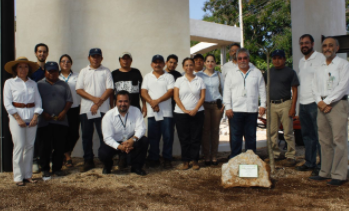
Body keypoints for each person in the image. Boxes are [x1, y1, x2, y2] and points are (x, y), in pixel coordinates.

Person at [309, 37, 349, 186]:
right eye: (325, 45)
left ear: (337, 48)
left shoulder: (344, 65)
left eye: (331, 45)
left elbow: (343, 86)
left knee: (338, 140)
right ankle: (325, 172)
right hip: (322, 105)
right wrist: (319, 101)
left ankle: (339, 174)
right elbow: (314, 87)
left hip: (338, 104)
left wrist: (326, 102)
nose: (327, 48)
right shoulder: (319, 67)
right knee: (324, 140)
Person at [3, 57, 42, 186]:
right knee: (19, 146)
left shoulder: (33, 84)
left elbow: (38, 102)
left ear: (29, 69)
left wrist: (35, 117)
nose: (23, 69)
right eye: (20, 67)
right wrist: (17, 118)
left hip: (31, 117)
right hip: (16, 117)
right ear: (15, 69)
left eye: (25, 67)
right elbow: (7, 103)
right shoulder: (9, 83)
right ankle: (18, 177)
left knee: (29, 146)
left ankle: (28, 175)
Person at [76, 48, 114, 172]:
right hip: (86, 110)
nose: (95, 58)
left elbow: (110, 89)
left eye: (98, 56)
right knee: (86, 136)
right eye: (93, 56)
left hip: (102, 110)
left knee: (104, 135)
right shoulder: (83, 71)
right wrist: (94, 99)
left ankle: (105, 160)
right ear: (89, 58)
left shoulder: (106, 71)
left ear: (101, 58)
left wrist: (98, 103)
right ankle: (88, 160)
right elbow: (79, 89)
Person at [223, 49, 266, 158]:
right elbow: (227, 91)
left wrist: (263, 105)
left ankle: (250, 160)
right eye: (240, 58)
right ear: (236, 60)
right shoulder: (231, 73)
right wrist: (228, 107)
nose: (242, 60)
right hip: (235, 111)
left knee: (251, 137)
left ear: (248, 59)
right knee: (235, 137)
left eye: (245, 58)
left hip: (251, 110)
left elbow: (262, 89)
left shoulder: (256, 73)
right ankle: (235, 159)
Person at [99, 91, 149, 176]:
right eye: (120, 101)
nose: (123, 104)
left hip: (130, 140)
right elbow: (107, 138)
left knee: (144, 140)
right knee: (103, 152)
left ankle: (136, 167)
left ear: (129, 101)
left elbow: (141, 128)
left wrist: (133, 139)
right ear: (115, 102)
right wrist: (120, 147)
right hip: (115, 142)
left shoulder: (136, 111)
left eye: (125, 101)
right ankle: (108, 166)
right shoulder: (108, 115)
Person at [37, 62, 73, 180]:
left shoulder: (64, 85)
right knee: (45, 146)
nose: (52, 74)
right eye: (50, 71)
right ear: (45, 72)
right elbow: (36, 102)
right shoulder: (39, 85)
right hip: (44, 121)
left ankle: (57, 168)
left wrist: (63, 112)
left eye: (55, 71)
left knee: (59, 146)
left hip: (60, 121)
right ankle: (45, 169)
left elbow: (69, 100)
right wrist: (43, 113)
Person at [295, 34, 324, 176]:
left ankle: (322, 165)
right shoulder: (301, 61)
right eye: (301, 43)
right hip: (303, 103)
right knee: (307, 135)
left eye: (306, 43)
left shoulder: (320, 58)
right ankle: (309, 162)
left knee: (319, 135)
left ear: (312, 44)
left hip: (315, 103)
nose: (303, 45)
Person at [265, 49, 299, 167]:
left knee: (288, 131)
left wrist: (293, 106)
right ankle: (274, 154)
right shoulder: (268, 72)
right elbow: (263, 87)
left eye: (279, 58)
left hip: (285, 103)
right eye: (274, 58)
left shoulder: (290, 72)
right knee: (272, 131)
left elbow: (295, 89)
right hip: (271, 104)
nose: (276, 60)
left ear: (284, 59)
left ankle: (290, 155)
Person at [141, 55, 175, 169]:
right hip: (152, 113)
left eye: (160, 62)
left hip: (166, 113)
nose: (157, 64)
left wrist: (157, 101)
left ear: (164, 64)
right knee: (153, 137)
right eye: (155, 62)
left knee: (168, 137)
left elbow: (171, 92)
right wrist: (151, 102)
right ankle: (154, 159)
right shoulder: (147, 77)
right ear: (151, 64)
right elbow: (143, 91)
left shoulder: (169, 77)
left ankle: (167, 159)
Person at [174, 57, 206, 170]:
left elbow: (202, 97)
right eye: (186, 65)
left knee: (196, 137)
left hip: (197, 113)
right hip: (181, 113)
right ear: (183, 67)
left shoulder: (200, 80)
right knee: (184, 138)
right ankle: (185, 161)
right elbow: (176, 97)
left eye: (191, 65)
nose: (189, 67)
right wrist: (184, 110)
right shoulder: (179, 80)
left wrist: (195, 109)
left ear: (194, 66)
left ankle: (195, 160)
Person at [197, 54, 224, 166]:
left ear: (215, 63)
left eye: (212, 61)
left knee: (215, 130)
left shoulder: (219, 75)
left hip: (217, 106)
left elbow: (224, 89)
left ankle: (214, 156)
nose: (210, 63)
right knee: (205, 131)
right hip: (204, 105)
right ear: (204, 63)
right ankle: (206, 156)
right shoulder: (199, 75)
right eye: (208, 61)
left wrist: (224, 104)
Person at [58, 54, 81, 167]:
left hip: (75, 108)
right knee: (61, 133)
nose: (65, 63)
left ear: (71, 63)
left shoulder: (77, 76)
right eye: (63, 61)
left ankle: (65, 153)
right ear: (60, 64)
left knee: (74, 133)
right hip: (59, 109)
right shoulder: (55, 76)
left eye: (68, 61)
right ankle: (66, 156)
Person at [30, 43, 49, 174]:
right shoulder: (32, 71)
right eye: (39, 52)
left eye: (44, 52)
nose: (42, 54)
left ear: (47, 54)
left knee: (46, 136)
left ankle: (45, 159)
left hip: (48, 106)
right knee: (35, 136)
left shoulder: (50, 69)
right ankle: (34, 160)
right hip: (35, 108)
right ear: (36, 53)